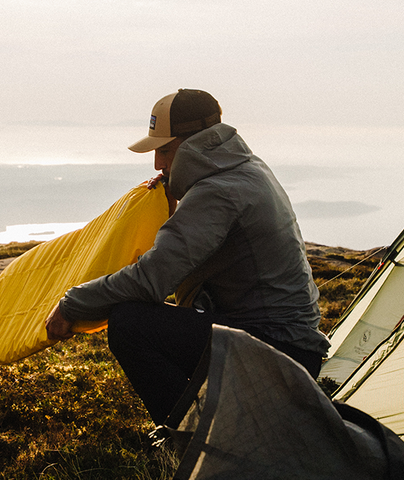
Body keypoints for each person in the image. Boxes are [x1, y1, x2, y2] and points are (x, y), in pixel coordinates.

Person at [46, 89, 331, 424]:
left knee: (131, 325)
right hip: (286, 344)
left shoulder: (217, 192)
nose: (158, 163)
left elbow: (151, 280)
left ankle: (197, 443)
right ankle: (221, 425)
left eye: (165, 150)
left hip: (278, 353)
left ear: (195, 143)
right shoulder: (244, 168)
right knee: (150, 320)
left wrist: (71, 304)